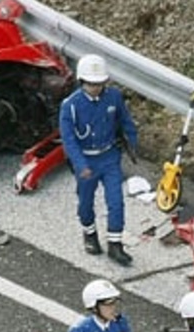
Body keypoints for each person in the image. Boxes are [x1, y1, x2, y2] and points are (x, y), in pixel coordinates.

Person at [59, 54, 139, 266]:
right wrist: (80, 165)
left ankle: (115, 243)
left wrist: (132, 142)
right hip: (86, 161)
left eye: (99, 83)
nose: (96, 88)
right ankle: (89, 233)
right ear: (82, 81)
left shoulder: (113, 97)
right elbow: (69, 140)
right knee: (85, 202)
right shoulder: (70, 106)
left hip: (110, 157)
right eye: (91, 84)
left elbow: (126, 121)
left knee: (116, 202)